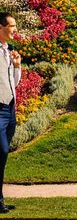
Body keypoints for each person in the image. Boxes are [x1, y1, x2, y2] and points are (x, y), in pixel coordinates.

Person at [0, 13, 20, 213]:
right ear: (1, 27)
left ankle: (0, 200)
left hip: (10, 109)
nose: (15, 29)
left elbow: (14, 82)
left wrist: (17, 66)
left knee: (2, 156)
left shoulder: (10, 50)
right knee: (2, 151)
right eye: (12, 25)